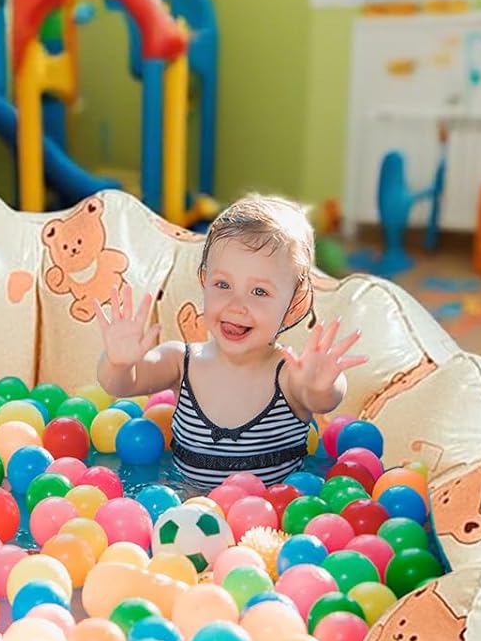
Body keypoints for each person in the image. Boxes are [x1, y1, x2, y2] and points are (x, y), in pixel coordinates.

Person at [96, 193, 365, 489]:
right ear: (204, 281)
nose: (236, 305)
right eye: (222, 284)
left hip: (270, 516)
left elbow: (322, 400)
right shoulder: (180, 363)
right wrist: (119, 363)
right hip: (188, 507)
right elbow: (121, 385)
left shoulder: (290, 375)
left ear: (294, 303)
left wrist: (321, 383)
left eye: (259, 292)